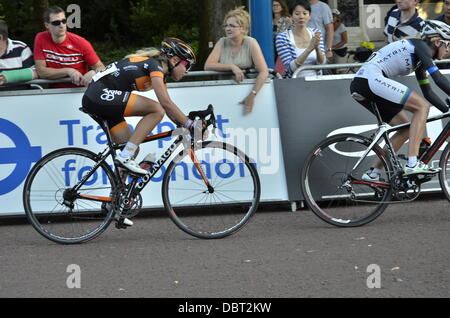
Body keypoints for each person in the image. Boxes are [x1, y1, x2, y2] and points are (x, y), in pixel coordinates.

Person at [82, 38, 198, 178]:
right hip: (99, 94)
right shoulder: (155, 66)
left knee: (131, 148)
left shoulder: (157, 70)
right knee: (156, 110)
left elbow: (169, 109)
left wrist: (186, 124)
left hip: (97, 97)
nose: (187, 71)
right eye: (187, 66)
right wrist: (190, 124)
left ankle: (116, 197)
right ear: (174, 60)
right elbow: (165, 104)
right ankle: (125, 157)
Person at [350, 20, 450, 180]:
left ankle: (373, 173)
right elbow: (438, 79)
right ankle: (412, 163)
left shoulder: (419, 59)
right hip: (370, 79)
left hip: (363, 83)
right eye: (448, 45)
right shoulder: (421, 47)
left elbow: (428, 91)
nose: (448, 50)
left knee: (405, 129)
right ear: (438, 42)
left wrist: (447, 111)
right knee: (422, 107)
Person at [204, 7, 269, 115]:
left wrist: (252, 95)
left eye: (232, 26)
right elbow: (208, 65)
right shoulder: (222, 42)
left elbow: (264, 71)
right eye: (226, 25)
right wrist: (232, 67)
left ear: (243, 29)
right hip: (224, 92)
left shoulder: (251, 43)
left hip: (246, 91)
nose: (228, 29)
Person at [34, 6, 105, 88]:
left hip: (79, 92)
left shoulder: (81, 42)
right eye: (56, 23)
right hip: (53, 93)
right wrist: (68, 71)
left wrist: (94, 72)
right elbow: (41, 71)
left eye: (64, 21)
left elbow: (101, 68)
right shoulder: (41, 38)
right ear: (47, 25)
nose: (61, 25)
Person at [275, 0, 325, 79]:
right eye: (297, 14)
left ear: (309, 16)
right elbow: (291, 68)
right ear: (291, 16)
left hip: (316, 81)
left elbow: (322, 64)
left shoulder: (316, 33)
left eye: (305, 13)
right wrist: (309, 49)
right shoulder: (282, 37)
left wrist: (317, 48)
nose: (301, 17)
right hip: (294, 83)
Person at [0, 20, 38, 87]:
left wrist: (7, 76)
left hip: (21, 95)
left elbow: (35, 72)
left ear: (0, 37)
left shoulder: (21, 48)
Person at [272, 0, 293, 77]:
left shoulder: (287, 20)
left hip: (283, 48)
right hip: (271, 48)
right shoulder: (269, 20)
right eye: (274, 5)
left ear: (282, 7)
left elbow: (291, 34)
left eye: (277, 5)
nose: (275, 7)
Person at [330, 9, 348, 74]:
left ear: (337, 17)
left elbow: (345, 40)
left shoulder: (341, 26)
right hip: (331, 52)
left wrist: (334, 47)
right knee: (332, 70)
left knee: (341, 70)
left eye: (333, 16)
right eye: (330, 16)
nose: (331, 18)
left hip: (340, 51)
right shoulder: (328, 26)